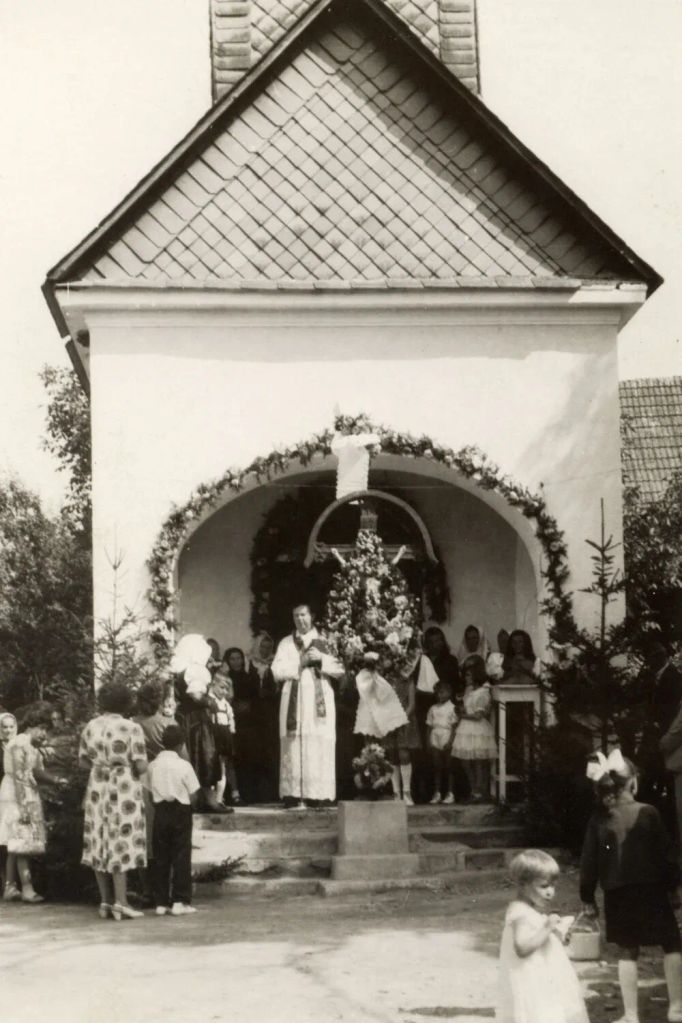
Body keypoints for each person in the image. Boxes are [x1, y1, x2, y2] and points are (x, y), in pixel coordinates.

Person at [580, 750, 682, 1023]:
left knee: (628, 949)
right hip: (651, 889)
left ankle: (631, 1014)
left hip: (617, 891)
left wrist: (587, 897)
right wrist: (674, 887)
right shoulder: (649, 813)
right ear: (633, 783)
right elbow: (667, 855)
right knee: (672, 944)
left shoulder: (599, 819)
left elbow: (589, 861)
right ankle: (676, 1008)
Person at [78, 682, 148, 920]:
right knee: (121, 839)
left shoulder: (91, 726)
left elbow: (83, 761)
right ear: (127, 702)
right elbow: (140, 764)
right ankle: (122, 902)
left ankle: (105, 902)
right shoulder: (131, 728)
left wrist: (101, 765)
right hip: (123, 786)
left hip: (97, 786)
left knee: (99, 838)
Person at [496, 849, 588, 1023]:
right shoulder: (520, 913)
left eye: (553, 886)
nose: (550, 892)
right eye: (544, 886)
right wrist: (547, 927)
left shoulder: (529, 910)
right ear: (523, 885)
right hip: (531, 979)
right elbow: (522, 948)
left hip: (543, 976)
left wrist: (555, 933)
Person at [272, 604, 343, 807]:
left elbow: (340, 670)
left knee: (319, 742)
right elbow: (276, 671)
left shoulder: (325, 641)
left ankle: (318, 794)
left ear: (312, 616)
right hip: (293, 700)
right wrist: (299, 663)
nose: (300, 619)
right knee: (293, 744)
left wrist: (321, 660)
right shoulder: (286, 643)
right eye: (295, 615)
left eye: (303, 615)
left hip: (318, 701)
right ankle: (293, 794)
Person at [0, 706, 61, 903]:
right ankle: (27, 888)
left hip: (27, 791)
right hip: (17, 794)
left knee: (15, 842)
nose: (44, 735)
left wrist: (56, 780)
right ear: (33, 726)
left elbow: (36, 772)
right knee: (22, 841)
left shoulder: (32, 745)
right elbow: (19, 776)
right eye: (43, 729)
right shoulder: (19, 743)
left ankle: (10, 887)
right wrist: (24, 807)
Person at [145, 724, 200, 916]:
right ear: (181, 745)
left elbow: (150, 791)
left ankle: (161, 902)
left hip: (160, 811)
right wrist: (189, 806)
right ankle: (180, 900)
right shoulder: (184, 765)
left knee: (160, 856)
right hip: (181, 810)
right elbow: (194, 793)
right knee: (181, 855)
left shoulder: (152, 765)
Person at [171, 634, 225, 813]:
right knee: (204, 756)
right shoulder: (195, 670)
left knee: (192, 757)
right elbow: (196, 695)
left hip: (184, 717)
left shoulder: (180, 669)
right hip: (197, 720)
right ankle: (209, 800)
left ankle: (196, 800)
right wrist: (210, 702)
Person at [451, 655, 497, 802]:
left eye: (469, 674)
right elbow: (466, 706)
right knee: (466, 761)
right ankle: (474, 789)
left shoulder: (483, 692)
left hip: (477, 729)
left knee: (478, 760)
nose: (466, 677)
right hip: (466, 728)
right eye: (465, 674)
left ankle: (480, 791)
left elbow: (479, 715)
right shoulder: (469, 689)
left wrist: (463, 714)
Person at [224, 647, 262, 803]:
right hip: (232, 721)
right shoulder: (224, 678)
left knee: (249, 757)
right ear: (227, 661)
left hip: (248, 722)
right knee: (233, 758)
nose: (236, 661)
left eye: (239, 658)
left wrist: (249, 706)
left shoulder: (250, 677)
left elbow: (256, 698)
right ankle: (233, 794)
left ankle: (250, 794)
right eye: (232, 659)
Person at [248, 632, 280, 802]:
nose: (266, 650)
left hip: (271, 711)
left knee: (271, 751)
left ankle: (272, 793)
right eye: (263, 646)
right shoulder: (250, 663)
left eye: (269, 647)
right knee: (255, 752)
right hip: (254, 713)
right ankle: (255, 794)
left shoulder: (275, 663)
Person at [208, 673, 239, 806]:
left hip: (224, 736)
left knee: (223, 767)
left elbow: (231, 717)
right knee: (212, 766)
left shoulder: (225, 704)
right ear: (213, 685)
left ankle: (220, 798)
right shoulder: (209, 701)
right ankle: (212, 798)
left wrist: (232, 727)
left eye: (227, 689)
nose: (224, 691)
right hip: (213, 736)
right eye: (221, 687)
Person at [426, 681, 458, 804]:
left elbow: (455, 727)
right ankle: (437, 793)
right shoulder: (433, 708)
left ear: (449, 693)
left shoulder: (452, 707)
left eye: (442, 692)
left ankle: (450, 793)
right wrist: (428, 741)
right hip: (435, 736)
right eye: (437, 693)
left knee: (449, 766)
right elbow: (428, 726)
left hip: (447, 735)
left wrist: (450, 741)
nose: (439, 695)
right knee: (437, 766)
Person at [0, 712, 18, 889]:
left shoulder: (17, 745)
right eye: (4, 727)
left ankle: (10, 882)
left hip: (10, 793)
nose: (7, 730)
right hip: (3, 794)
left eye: (11, 726)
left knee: (10, 836)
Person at [423, 627, 460, 695]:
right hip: (426, 697)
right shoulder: (423, 659)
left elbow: (455, 684)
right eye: (432, 642)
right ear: (428, 644)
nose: (436, 644)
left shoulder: (451, 660)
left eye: (439, 640)